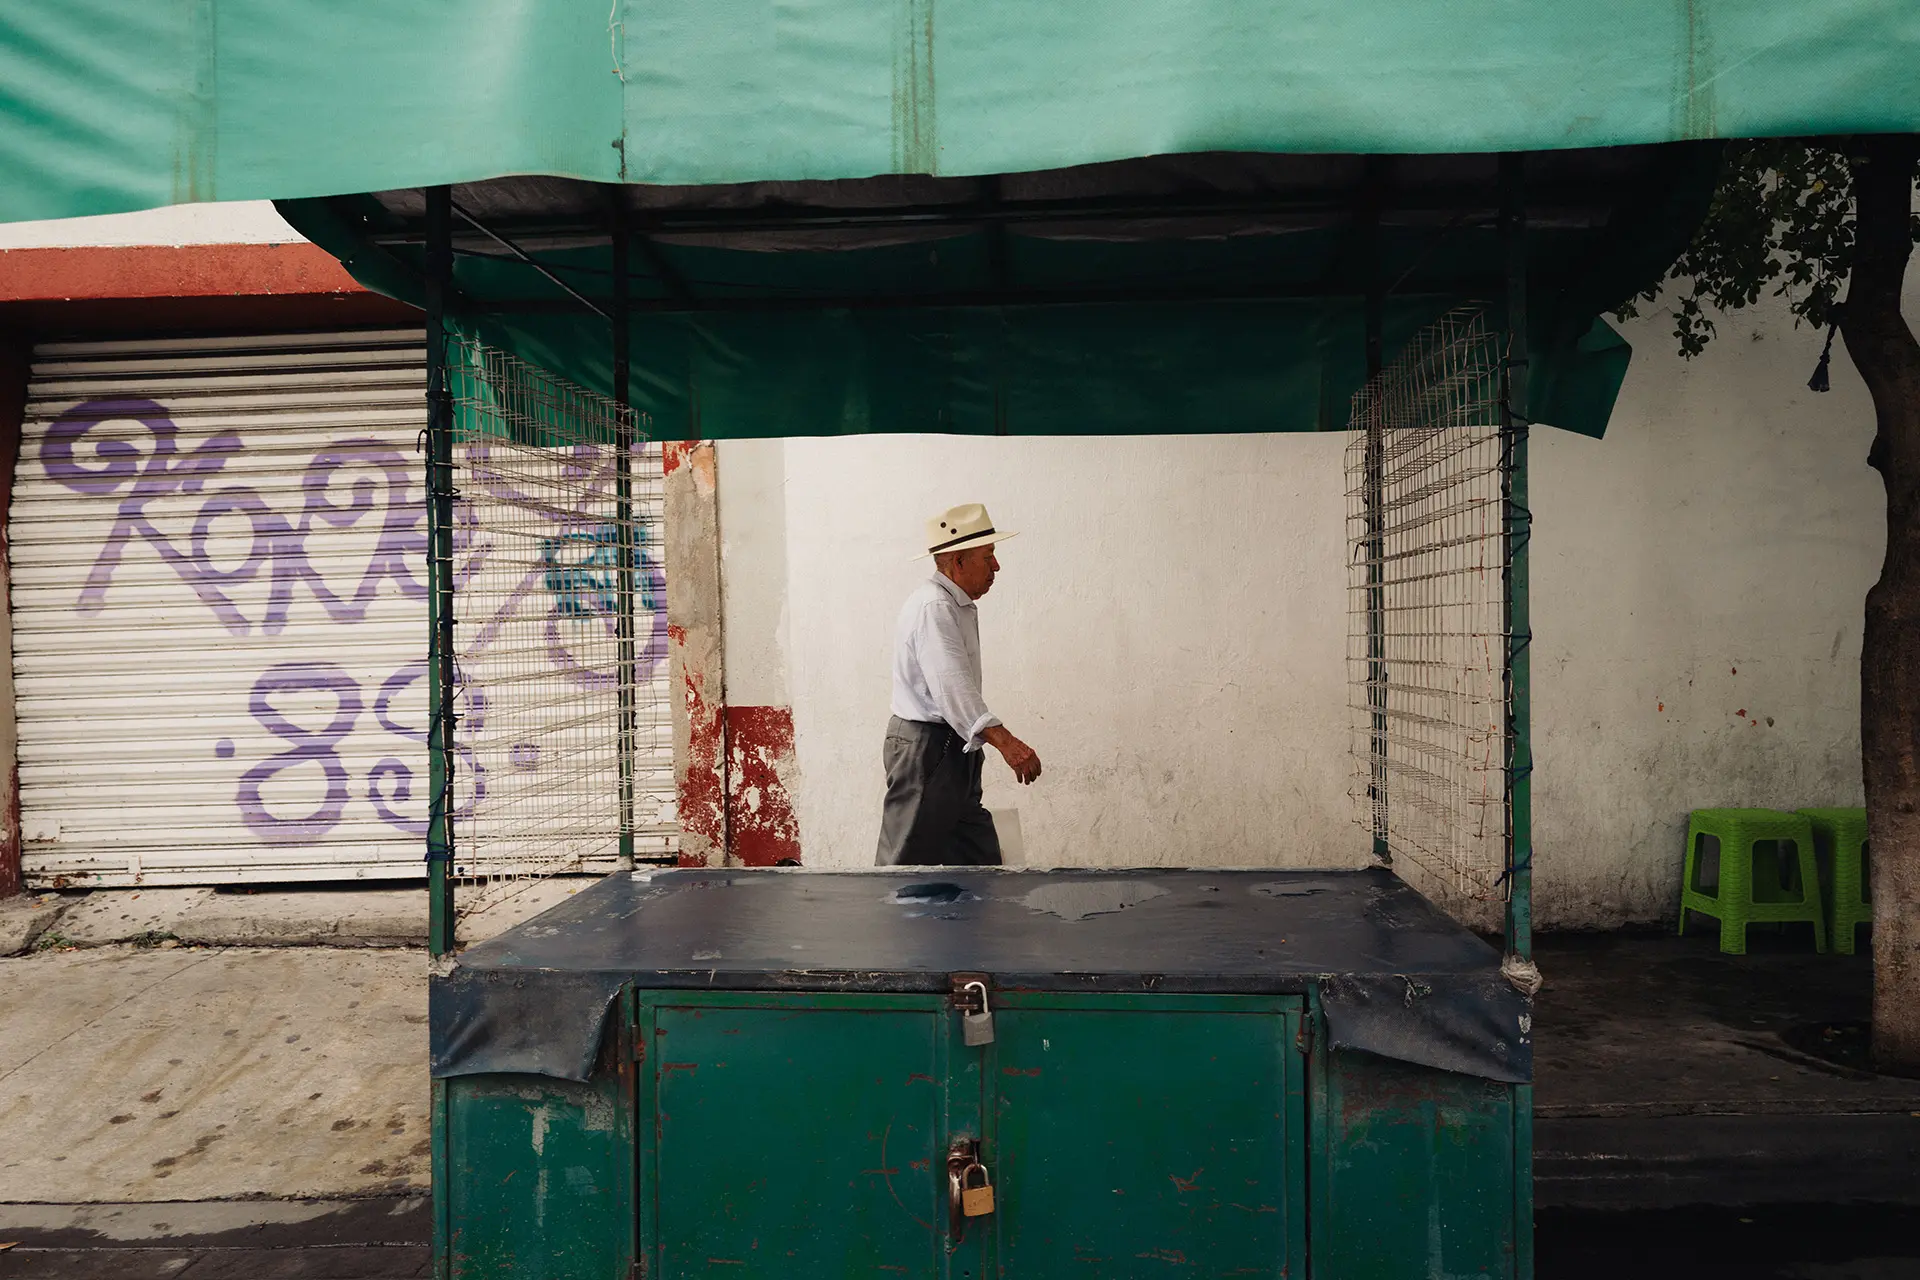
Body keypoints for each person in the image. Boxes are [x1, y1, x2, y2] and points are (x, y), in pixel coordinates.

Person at [875, 503, 1042, 866]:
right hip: (928, 748)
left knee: (975, 852)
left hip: (952, 745)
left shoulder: (952, 604)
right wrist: (1007, 743)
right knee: (906, 861)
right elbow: (952, 690)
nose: (996, 566)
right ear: (958, 561)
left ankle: (976, 922)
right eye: (989, 556)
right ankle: (897, 923)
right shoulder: (935, 607)